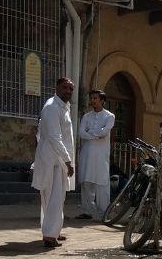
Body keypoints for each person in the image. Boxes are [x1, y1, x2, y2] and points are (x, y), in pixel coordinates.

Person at [32, 78, 75, 247]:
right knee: (53, 198)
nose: (68, 91)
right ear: (56, 88)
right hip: (54, 160)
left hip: (57, 159)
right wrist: (67, 161)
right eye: (65, 88)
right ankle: (50, 236)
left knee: (54, 198)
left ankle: (53, 231)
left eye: (71, 89)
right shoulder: (52, 107)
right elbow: (54, 137)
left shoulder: (64, 107)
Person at [76, 89, 115, 220]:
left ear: (102, 101)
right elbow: (81, 133)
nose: (92, 101)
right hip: (87, 153)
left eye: (95, 98)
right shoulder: (86, 116)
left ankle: (104, 212)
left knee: (101, 182)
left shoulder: (109, 116)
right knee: (86, 182)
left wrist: (91, 133)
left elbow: (104, 132)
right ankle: (87, 211)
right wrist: (95, 135)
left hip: (101, 154)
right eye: (91, 98)